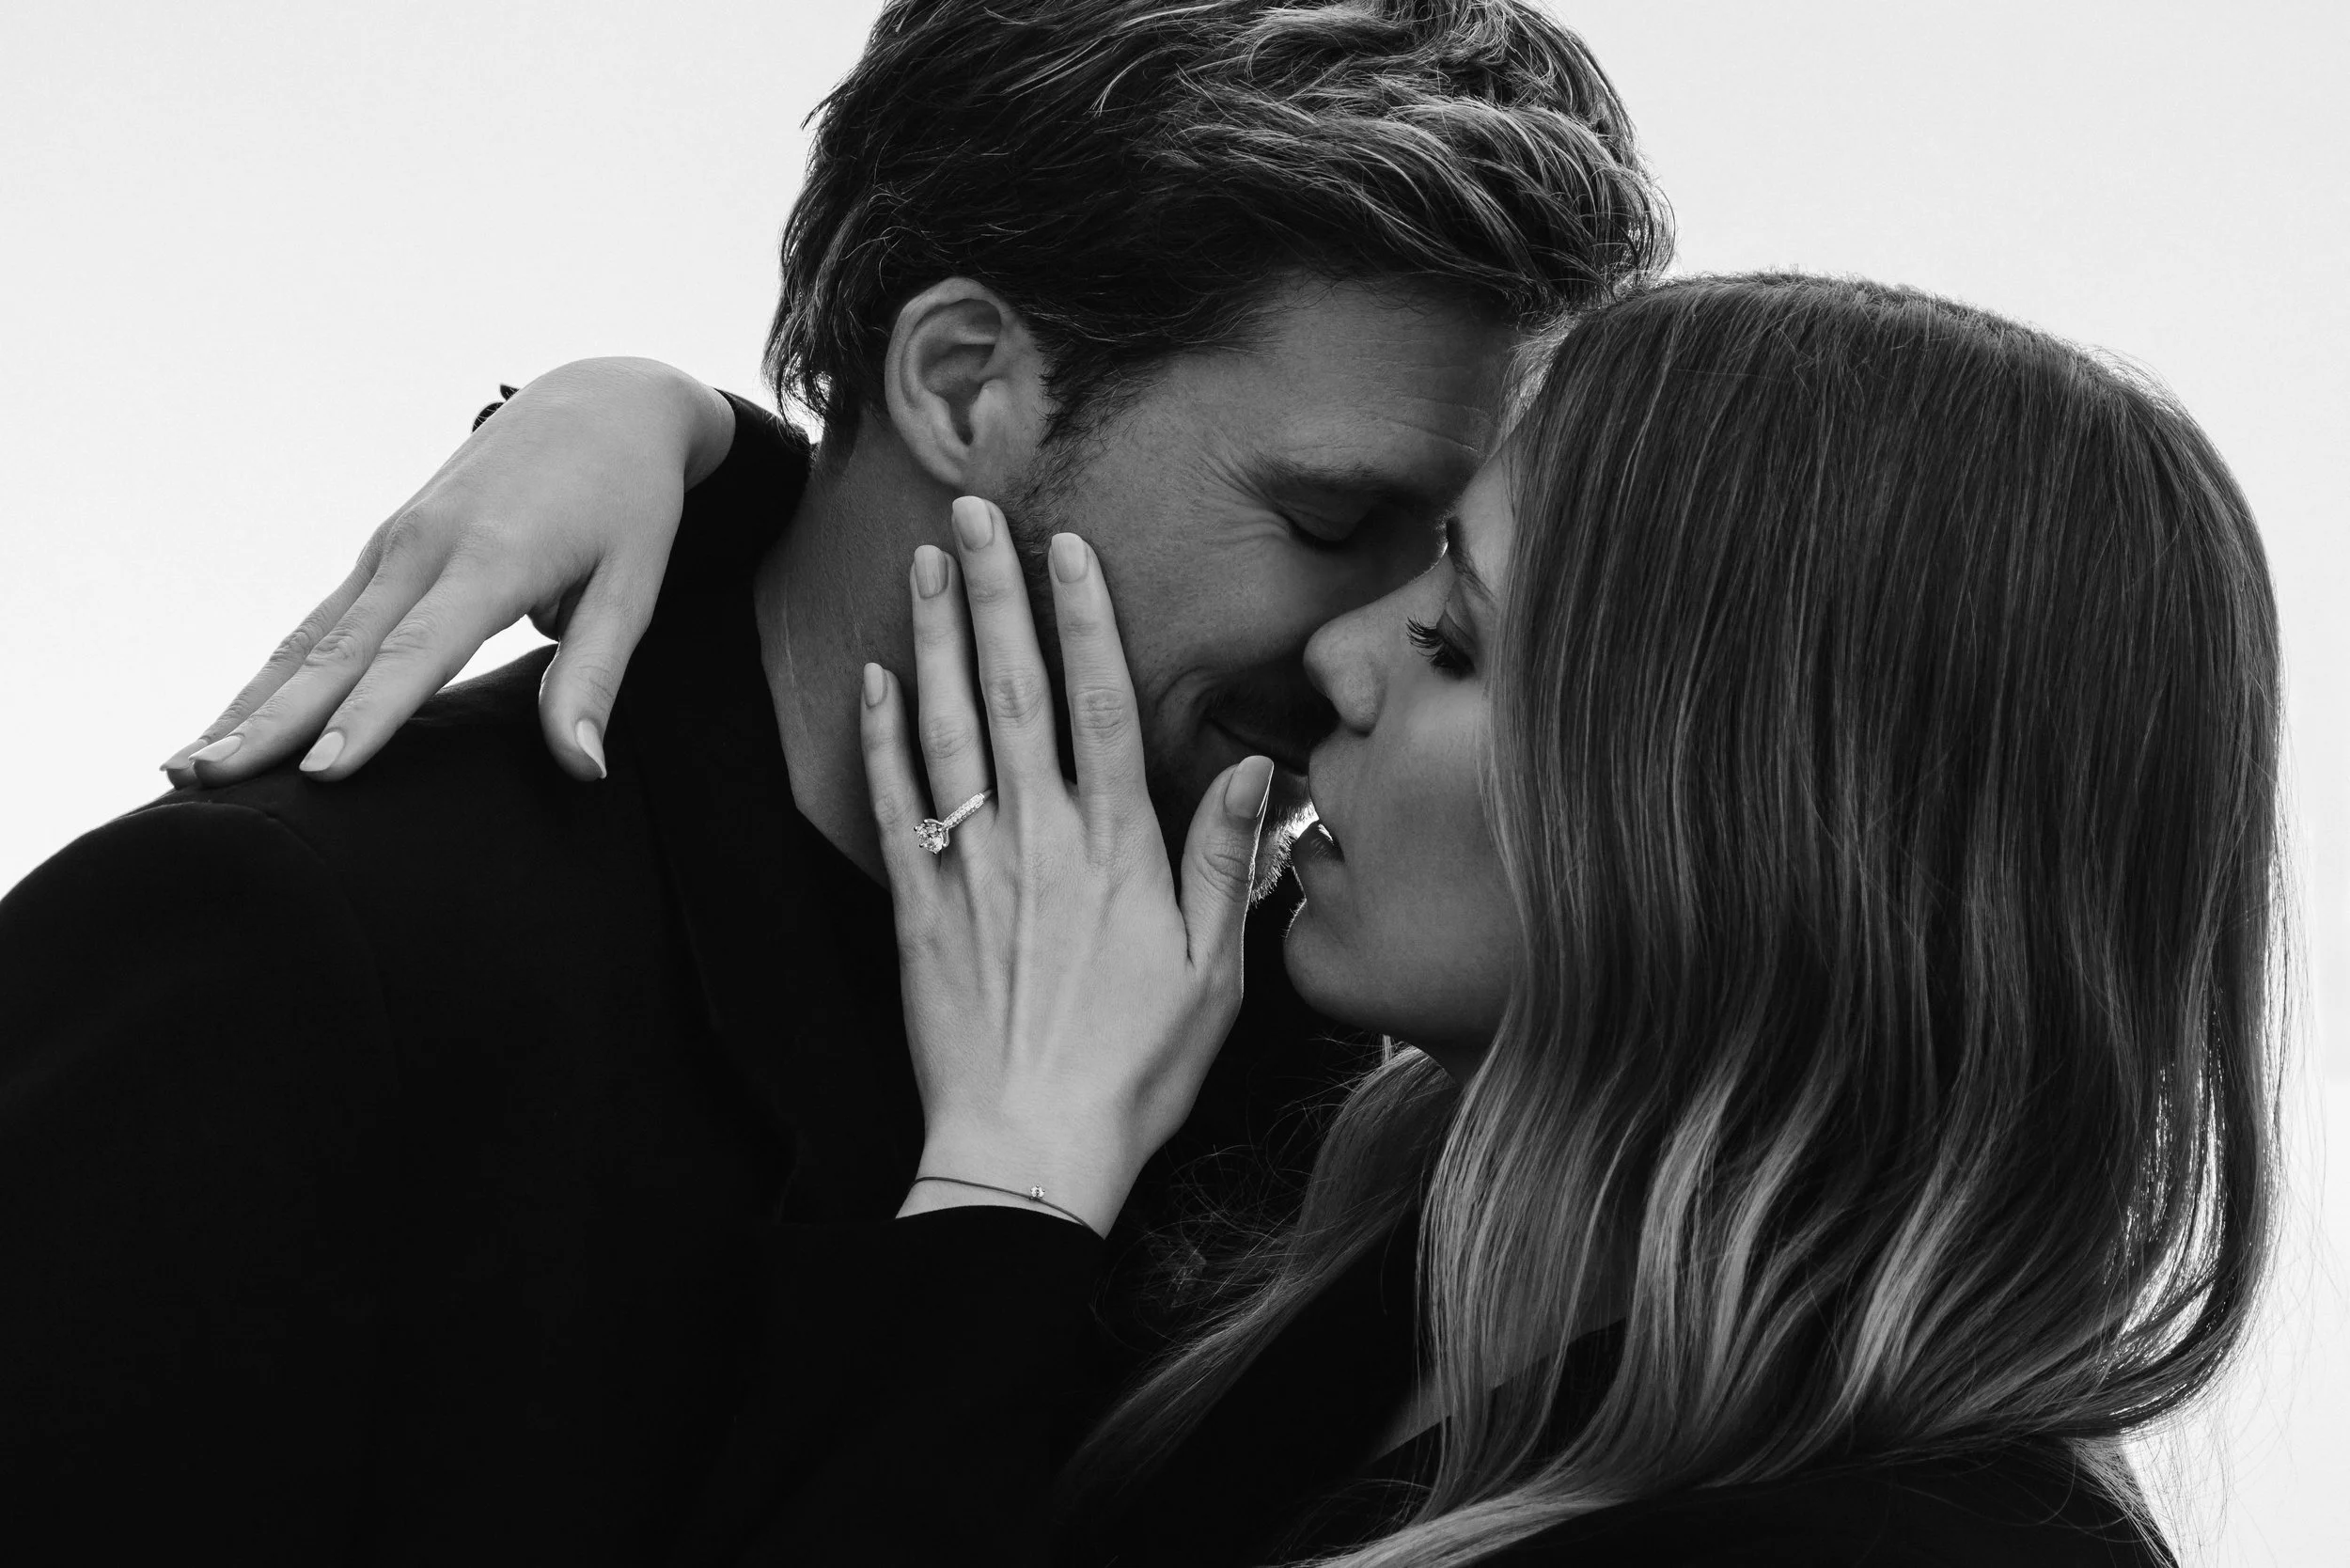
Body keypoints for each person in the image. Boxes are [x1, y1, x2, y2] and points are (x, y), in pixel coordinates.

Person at [217, 274, 2283, 1566]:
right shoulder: (1354, 1267)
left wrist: (1006, 1198)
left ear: (1750, 821)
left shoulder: (1896, 1548)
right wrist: (695, 437)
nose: (1340, 660)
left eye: (1454, 634)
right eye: (1351, 541)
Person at [0, 3, 1667, 1561]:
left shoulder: (1326, 1043)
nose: (1369, 644)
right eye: (1326, 524)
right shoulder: (284, 955)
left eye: (1438, 566)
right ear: (961, 386)